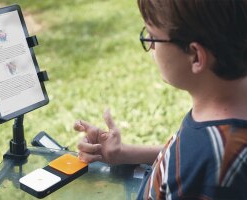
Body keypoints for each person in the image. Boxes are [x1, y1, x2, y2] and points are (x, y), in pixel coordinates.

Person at [74, 0, 247, 199]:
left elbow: (194, 164)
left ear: (196, 57)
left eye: (154, 37)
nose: (150, 45)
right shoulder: (220, 118)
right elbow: (183, 157)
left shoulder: (208, 159)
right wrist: (124, 153)